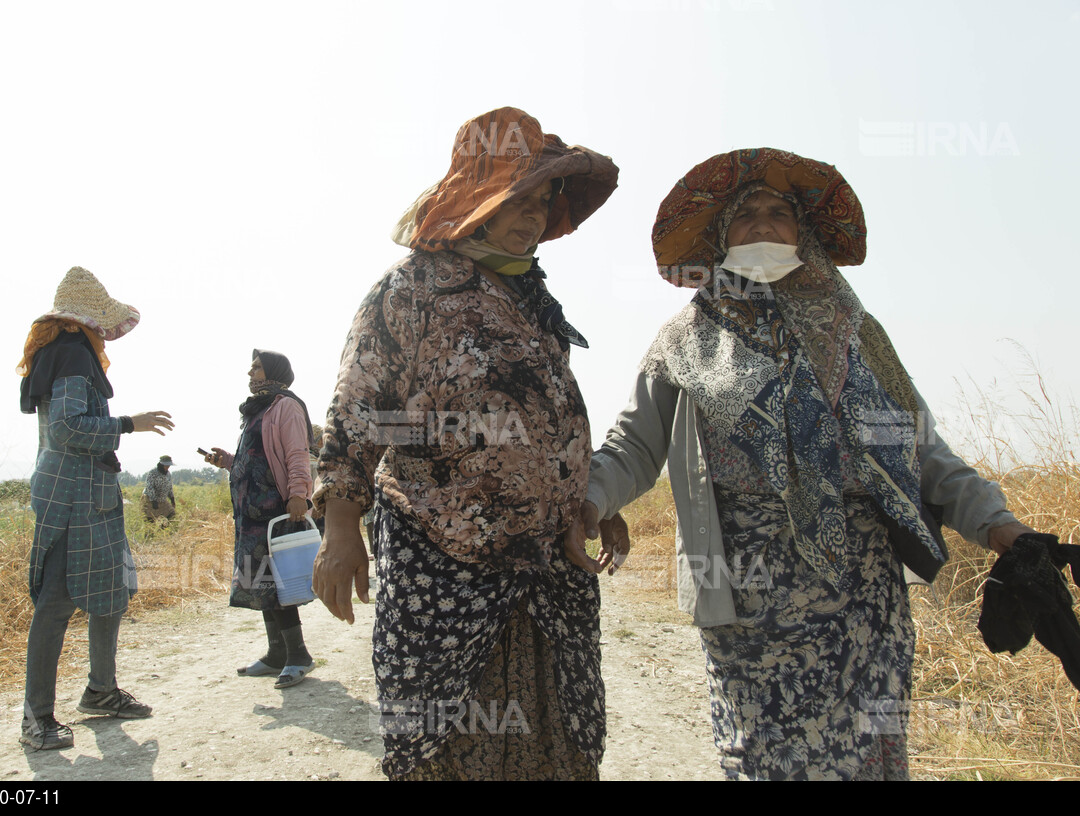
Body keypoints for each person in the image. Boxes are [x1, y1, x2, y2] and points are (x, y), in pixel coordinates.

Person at [582, 148, 1035, 780]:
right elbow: (634, 445)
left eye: (779, 212)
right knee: (766, 761)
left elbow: (922, 452)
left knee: (870, 759)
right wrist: (589, 501)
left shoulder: (855, 334)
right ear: (719, 239)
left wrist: (999, 526)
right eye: (746, 216)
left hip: (865, 599)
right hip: (749, 602)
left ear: (805, 233)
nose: (764, 224)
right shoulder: (684, 343)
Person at [312, 107, 621, 780]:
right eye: (519, 197)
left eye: (543, 200)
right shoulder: (412, 289)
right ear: (477, 195)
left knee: (551, 743)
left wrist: (590, 496)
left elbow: (553, 418)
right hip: (443, 566)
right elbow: (361, 409)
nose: (534, 214)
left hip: (546, 573)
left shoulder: (531, 297)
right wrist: (341, 525)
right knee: (444, 742)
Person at [17, 266, 174, 751]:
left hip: (90, 493)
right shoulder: (69, 355)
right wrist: (130, 423)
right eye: (102, 323)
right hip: (72, 497)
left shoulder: (67, 353)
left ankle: (101, 691)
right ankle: (37, 717)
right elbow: (67, 430)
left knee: (111, 590)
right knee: (59, 602)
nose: (107, 333)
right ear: (85, 320)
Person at [204, 350, 318, 689]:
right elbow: (255, 456)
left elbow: (297, 452)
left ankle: (298, 656)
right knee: (262, 582)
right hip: (250, 512)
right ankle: (276, 654)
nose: (250, 371)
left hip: (273, 509)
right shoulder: (258, 409)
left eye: (256, 365)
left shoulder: (286, 406)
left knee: (278, 581)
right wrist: (227, 460)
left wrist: (299, 493)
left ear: (274, 371)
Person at [141, 455, 177, 527]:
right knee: (150, 521)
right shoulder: (152, 473)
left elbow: (169, 487)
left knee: (172, 514)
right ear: (161, 464)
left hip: (162, 500)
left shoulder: (168, 474)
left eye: (169, 465)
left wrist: (172, 498)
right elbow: (150, 487)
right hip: (150, 500)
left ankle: (164, 530)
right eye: (166, 465)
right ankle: (150, 535)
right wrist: (153, 501)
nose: (168, 467)